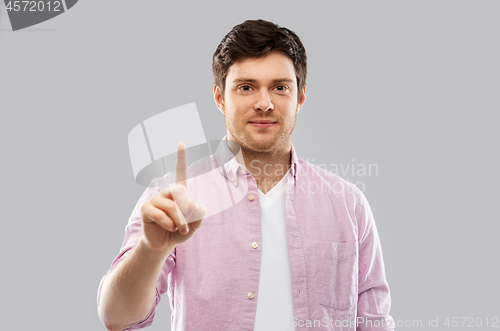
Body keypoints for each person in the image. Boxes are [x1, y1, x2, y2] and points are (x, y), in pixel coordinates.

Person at [97, 19, 395, 331]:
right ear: (220, 98)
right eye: (246, 87)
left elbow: (374, 323)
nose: (264, 103)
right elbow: (117, 317)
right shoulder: (173, 198)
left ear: (300, 98)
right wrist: (151, 250)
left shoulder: (348, 204)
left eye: (280, 88)